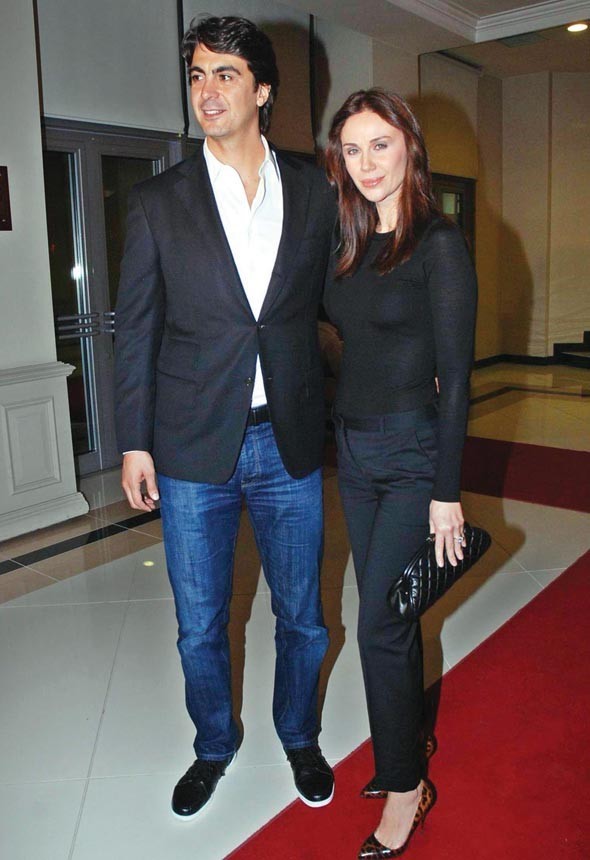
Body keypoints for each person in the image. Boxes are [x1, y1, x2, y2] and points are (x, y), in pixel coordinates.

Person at [114, 16, 336, 819]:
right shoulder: (157, 202)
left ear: (263, 90)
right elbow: (135, 329)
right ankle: (214, 745)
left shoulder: (314, 190)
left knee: (303, 616)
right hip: (187, 446)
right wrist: (134, 442)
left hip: (289, 438)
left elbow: (336, 299)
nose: (206, 92)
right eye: (197, 75)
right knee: (200, 624)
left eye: (226, 74)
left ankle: (299, 734)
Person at [323, 89, 477, 859]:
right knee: (393, 615)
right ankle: (403, 748)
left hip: (414, 454)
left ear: (409, 145)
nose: (367, 163)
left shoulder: (438, 244)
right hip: (353, 453)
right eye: (352, 150)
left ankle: (406, 787)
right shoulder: (347, 241)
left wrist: (447, 493)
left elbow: (459, 378)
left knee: (379, 625)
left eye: (379, 144)